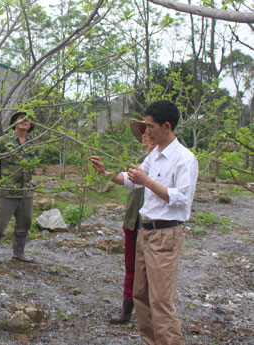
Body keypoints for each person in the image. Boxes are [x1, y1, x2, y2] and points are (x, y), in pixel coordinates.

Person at [90, 100, 198, 345]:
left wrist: (148, 181)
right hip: (145, 232)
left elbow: (182, 199)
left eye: (150, 126)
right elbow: (134, 181)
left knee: (161, 300)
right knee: (140, 295)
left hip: (165, 234)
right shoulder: (156, 155)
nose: (146, 132)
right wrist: (107, 173)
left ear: (167, 126)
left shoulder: (184, 159)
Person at [110, 122, 156, 325]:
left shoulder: (167, 161)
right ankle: (127, 310)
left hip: (154, 223)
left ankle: (152, 312)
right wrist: (106, 173)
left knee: (154, 269)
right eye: (144, 133)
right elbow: (129, 180)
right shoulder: (141, 161)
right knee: (131, 266)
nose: (145, 136)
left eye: (149, 131)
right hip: (133, 219)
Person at [0, 111, 37, 264]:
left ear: (31, 126)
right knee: (0, 225)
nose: (24, 121)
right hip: (7, 191)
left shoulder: (33, 143)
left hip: (26, 191)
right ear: (14, 122)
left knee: (25, 223)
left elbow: (34, 164)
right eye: (20, 119)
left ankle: (18, 253)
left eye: (27, 120)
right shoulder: (4, 140)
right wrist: (0, 181)